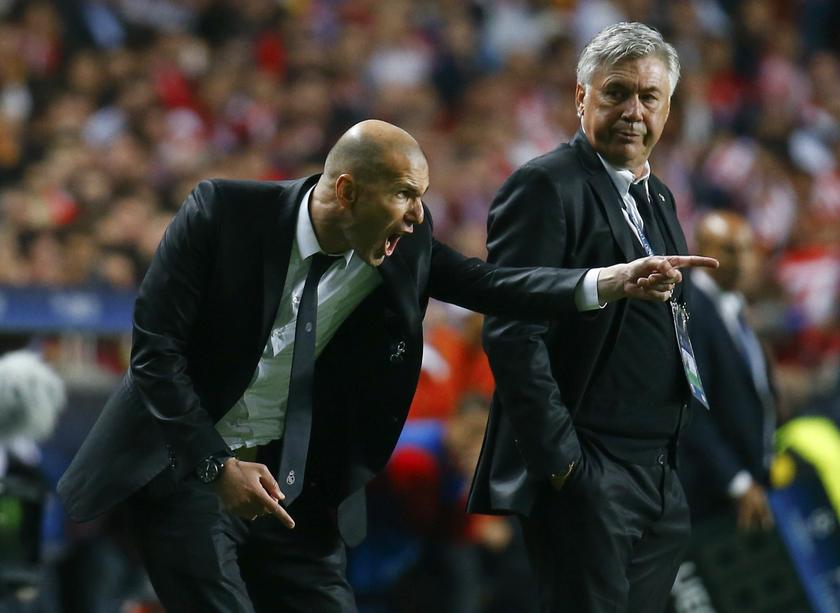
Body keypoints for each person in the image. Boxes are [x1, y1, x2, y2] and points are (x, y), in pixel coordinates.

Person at [57, 119, 708, 612]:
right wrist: (215, 465)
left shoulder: (401, 245)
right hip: (188, 467)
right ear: (346, 190)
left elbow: (488, 284)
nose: (420, 215)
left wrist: (605, 279)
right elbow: (155, 352)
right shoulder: (223, 213)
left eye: (421, 197)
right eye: (404, 194)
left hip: (294, 487)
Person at [468, 23, 718, 613]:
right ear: (582, 97)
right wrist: (565, 466)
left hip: (658, 472)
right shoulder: (544, 186)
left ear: (668, 108)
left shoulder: (658, 196)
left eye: (649, 97)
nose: (634, 111)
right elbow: (511, 329)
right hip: (592, 470)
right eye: (616, 92)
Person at [679, 211, 776, 531]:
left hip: (753, 482)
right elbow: (693, 405)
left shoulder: (733, 305)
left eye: (748, 249)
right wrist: (736, 481)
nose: (743, 261)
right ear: (703, 251)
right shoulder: (690, 307)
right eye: (730, 250)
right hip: (713, 494)